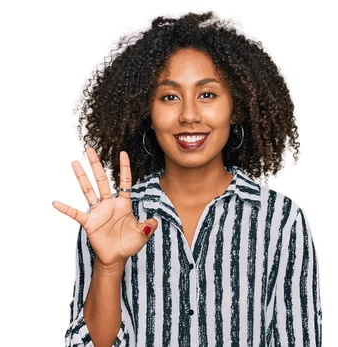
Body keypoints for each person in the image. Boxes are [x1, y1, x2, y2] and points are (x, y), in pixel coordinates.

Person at [52, 11, 322, 347]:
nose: (189, 115)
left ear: (235, 107)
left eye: (207, 95)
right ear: (146, 112)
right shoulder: (109, 220)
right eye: (169, 97)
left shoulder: (280, 221)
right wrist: (109, 266)